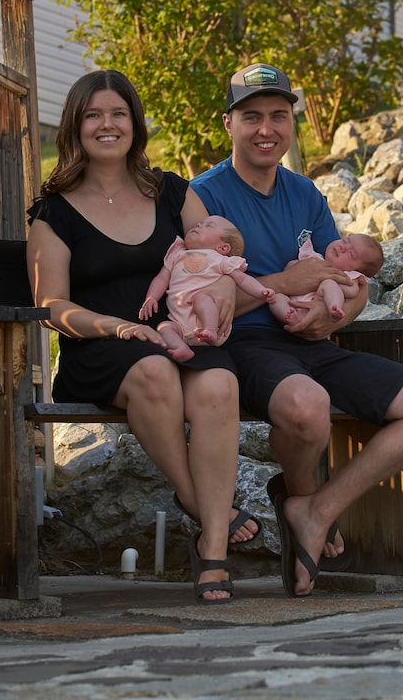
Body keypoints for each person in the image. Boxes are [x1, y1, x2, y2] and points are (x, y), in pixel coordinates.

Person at [191, 62, 403, 598]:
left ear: (291, 124)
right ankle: (305, 498)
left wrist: (339, 310)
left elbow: (350, 280)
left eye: (278, 116)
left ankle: (316, 507)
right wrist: (284, 282)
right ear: (228, 123)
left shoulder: (306, 194)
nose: (266, 128)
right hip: (244, 347)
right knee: (308, 407)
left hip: (315, 343)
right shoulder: (202, 197)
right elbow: (197, 295)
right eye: (251, 116)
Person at [26, 69, 260, 603]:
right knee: (154, 370)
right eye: (93, 115)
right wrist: (118, 325)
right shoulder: (54, 212)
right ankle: (205, 505)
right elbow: (50, 305)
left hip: (180, 333)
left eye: (118, 113)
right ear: (74, 127)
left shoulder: (172, 192)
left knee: (220, 387)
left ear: (135, 123)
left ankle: (213, 552)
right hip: (101, 347)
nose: (107, 125)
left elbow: (214, 260)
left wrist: (223, 296)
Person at [139, 215, 275, 361]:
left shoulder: (220, 260)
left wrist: (261, 291)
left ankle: (209, 330)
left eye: (208, 225)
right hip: (180, 324)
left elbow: (243, 279)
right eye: (200, 223)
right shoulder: (177, 254)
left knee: (201, 298)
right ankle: (181, 348)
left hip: (210, 320)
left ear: (223, 247)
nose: (198, 225)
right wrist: (151, 297)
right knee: (164, 327)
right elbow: (162, 278)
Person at [269, 233, 383, 325]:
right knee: (276, 297)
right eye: (344, 241)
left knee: (329, 284)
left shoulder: (345, 276)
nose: (342, 247)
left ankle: (334, 308)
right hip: (293, 306)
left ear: (356, 271)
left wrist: (330, 279)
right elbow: (289, 268)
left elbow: (352, 291)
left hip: (317, 309)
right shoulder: (314, 258)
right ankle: (291, 317)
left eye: (351, 254)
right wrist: (295, 268)